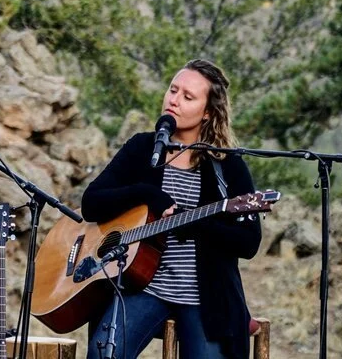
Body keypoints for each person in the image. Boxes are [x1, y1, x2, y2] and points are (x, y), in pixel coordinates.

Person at [81, 59, 261, 359]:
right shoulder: (142, 148)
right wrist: (148, 192)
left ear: (207, 113)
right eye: (172, 90)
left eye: (187, 97)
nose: (174, 100)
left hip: (204, 296)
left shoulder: (227, 165)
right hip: (143, 287)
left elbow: (249, 241)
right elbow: (92, 203)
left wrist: (192, 224)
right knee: (103, 355)